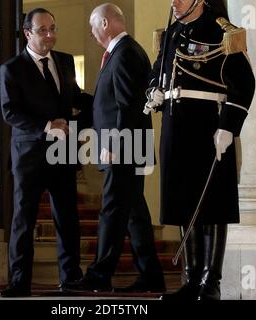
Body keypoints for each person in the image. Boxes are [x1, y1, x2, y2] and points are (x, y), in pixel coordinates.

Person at [145, 0, 255, 300]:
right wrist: (153, 89)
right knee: (183, 203)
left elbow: (244, 83)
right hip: (175, 129)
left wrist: (228, 126)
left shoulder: (221, 32)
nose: (174, 1)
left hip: (207, 129)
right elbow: (157, 72)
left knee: (212, 206)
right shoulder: (171, 33)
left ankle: (211, 283)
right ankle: (191, 280)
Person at [64, 3, 165, 293]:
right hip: (129, 146)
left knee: (111, 209)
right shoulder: (124, 52)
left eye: (94, 26)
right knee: (133, 212)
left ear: (106, 24)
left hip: (124, 148)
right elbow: (111, 102)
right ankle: (150, 274)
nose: (92, 33)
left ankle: (99, 274)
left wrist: (114, 143)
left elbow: (127, 105)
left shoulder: (125, 54)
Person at [0, 7, 92, 297]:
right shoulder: (12, 68)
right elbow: (10, 112)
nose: (50, 35)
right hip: (29, 155)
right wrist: (46, 126)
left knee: (67, 218)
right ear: (28, 33)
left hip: (63, 152)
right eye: (43, 30)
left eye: (53, 28)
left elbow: (76, 99)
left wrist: (105, 101)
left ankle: (71, 279)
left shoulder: (64, 61)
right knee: (23, 219)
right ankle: (19, 282)